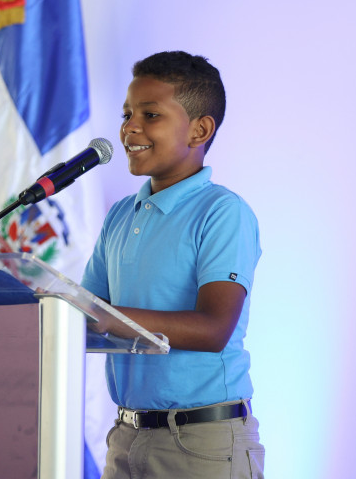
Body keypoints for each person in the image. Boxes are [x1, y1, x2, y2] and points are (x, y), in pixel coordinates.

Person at [81, 51, 265, 478]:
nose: (130, 127)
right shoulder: (121, 214)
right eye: (127, 114)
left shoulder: (222, 212)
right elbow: (85, 311)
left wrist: (109, 318)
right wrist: (7, 306)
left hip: (201, 442)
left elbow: (213, 329)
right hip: (126, 436)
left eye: (150, 115)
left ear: (200, 130)